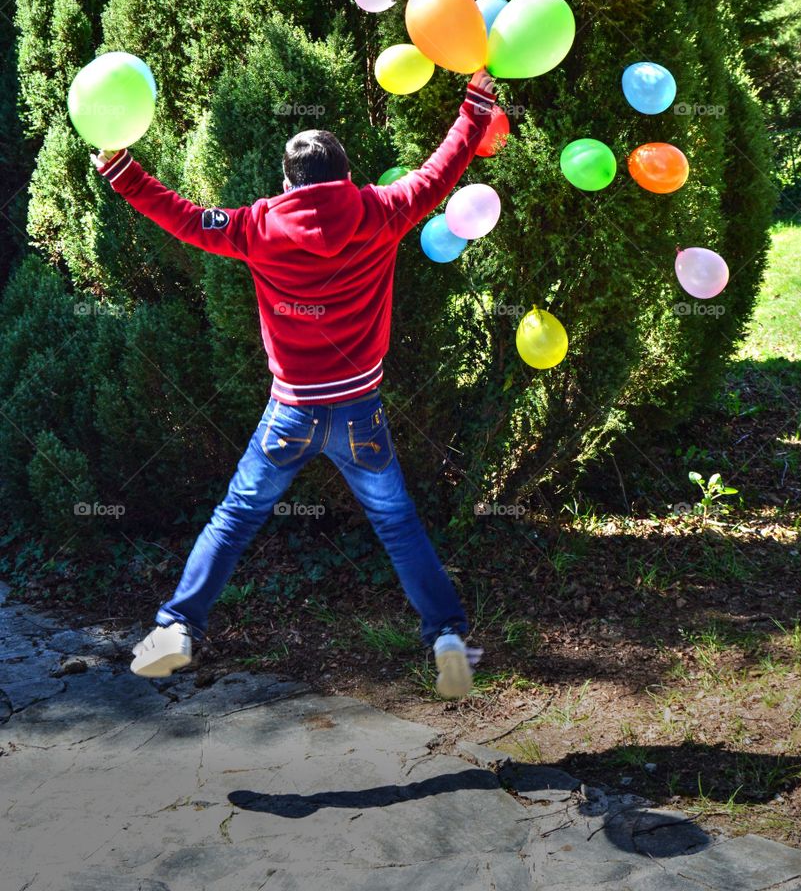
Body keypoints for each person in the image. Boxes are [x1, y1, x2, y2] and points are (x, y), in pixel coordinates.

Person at [92, 67, 498, 698]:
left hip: (291, 415)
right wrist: (475, 103)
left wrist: (122, 171)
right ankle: (447, 638)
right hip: (360, 410)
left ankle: (174, 633)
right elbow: (442, 169)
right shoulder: (384, 210)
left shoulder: (257, 227)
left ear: (289, 182)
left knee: (234, 519)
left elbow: (184, 219)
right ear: (345, 175)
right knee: (397, 524)